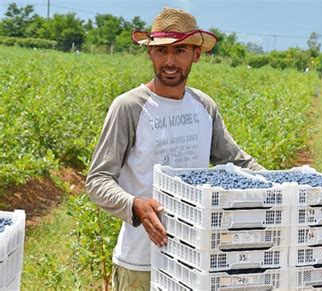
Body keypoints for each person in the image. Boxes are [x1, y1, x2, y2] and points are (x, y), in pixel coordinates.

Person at [85, 7, 263, 290]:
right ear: (150, 54)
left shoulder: (204, 107)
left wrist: (286, 184)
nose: (169, 60)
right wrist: (135, 205)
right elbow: (97, 180)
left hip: (195, 260)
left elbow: (239, 163)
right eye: (161, 51)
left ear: (196, 54)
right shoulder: (130, 107)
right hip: (141, 263)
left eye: (179, 50)